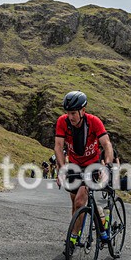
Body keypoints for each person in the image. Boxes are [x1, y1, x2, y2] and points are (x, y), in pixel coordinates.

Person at [54, 90, 114, 243]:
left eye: (74, 113)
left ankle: (73, 239)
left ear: (83, 111)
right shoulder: (63, 121)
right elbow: (58, 147)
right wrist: (61, 169)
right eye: (68, 113)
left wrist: (107, 165)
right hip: (74, 165)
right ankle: (99, 217)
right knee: (75, 204)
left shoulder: (94, 122)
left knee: (80, 201)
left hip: (92, 165)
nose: (70, 117)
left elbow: (106, 144)